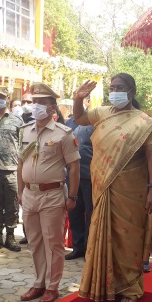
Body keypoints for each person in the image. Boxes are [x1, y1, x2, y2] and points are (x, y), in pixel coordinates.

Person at [72, 73, 152, 302]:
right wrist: (78, 98)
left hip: (132, 189)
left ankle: (130, 286)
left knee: (128, 237)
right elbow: (79, 118)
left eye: (120, 87)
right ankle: (104, 285)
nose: (115, 91)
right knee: (103, 234)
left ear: (132, 92)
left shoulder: (143, 121)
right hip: (103, 185)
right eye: (112, 87)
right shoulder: (103, 113)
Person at [18, 83, 80, 302]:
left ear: (52, 108)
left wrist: (72, 196)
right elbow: (20, 163)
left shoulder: (63, 134)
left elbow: (74, 167)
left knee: (53, 243)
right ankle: (38, 283)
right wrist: (20, 191)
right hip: (29, 194)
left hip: (52, 194)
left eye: (41, 103)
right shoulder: (25, 131)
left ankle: (52, 286)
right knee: (34, 241)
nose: (35, 106)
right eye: (34, 102)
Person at [0, 86, 23, 253]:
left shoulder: (17, 120)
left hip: (12, 169)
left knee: (12, 205)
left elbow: (22, 145)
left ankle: (10, 235)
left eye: (2, 97)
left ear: (7, 99)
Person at [64, 98, 94, 261]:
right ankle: (78, 247)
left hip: (90, 176)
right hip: (71, 175)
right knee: (74, 211)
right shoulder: (70, 122)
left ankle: (90, 248)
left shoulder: (95, 122)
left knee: (90, 213)